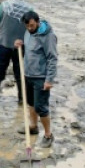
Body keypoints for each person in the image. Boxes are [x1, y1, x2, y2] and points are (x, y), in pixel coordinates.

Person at [14, 11, 57, 148]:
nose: (29, 28)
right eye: (27, 26)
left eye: (32, 25)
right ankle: (33, 126)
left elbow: (52, 58)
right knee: (31, 103)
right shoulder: (28, 32)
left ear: (38, 22)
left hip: (41, 77)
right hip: (28, 74)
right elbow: (29, 49)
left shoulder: (48, 36)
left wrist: (49, 80)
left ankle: (48, 135)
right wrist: (20, 44)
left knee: (41, 107)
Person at [0, 0, 33, 102]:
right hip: (21, 46)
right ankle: (21, 98)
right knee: (20, 72)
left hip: (3, 43)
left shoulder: (3, 6)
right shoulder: (29, 9)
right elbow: (32, 28)